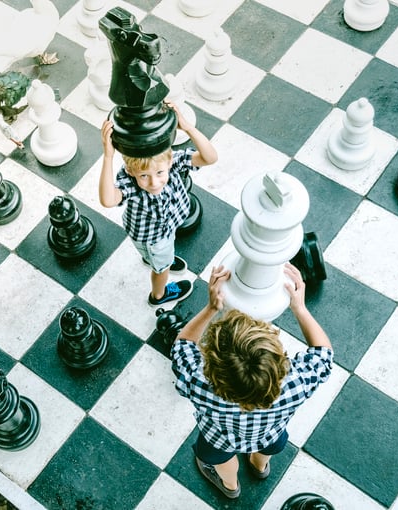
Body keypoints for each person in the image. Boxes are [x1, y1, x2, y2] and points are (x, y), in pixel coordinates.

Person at [171, 263, 333, 499]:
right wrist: (300, 308)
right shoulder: (294, 385)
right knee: (266, 450)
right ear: (279, 362)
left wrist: (211, 308)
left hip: (219, 438)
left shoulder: (199, 383)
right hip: (270, 434)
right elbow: (324, 355)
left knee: (222, 461)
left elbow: (181, 347)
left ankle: (230, 486)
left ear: (212, 365)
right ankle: (259, 468)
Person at [98, 103, 218, 306]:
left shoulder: (171, 161)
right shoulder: (131, 183)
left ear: (170, 161)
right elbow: (108, 200)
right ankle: (159, 295)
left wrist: (187, 127)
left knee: (161, 256)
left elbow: (210, 157)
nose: (154, 183)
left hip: (164, 229)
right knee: (161, 269)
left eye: (160, 173)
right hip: (153, 239)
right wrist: (108, 156)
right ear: (130, 170)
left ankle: (154, 259)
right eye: (144, 176)